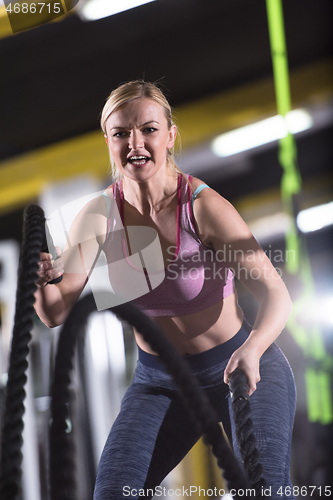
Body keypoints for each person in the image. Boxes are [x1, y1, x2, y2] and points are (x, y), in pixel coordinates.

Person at [34, 80, 296, 499]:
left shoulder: (203, 207)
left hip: (244, 368)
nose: (135, 143)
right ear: (108, 140)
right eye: (121, 133)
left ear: (170, 135)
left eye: (148, 129)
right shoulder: (99, 215)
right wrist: (39, 279)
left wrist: (253, 348)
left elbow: (276, 295)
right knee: (113, 493)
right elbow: (54, 312)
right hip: (160, 384)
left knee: (268, 491)